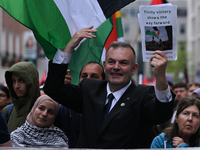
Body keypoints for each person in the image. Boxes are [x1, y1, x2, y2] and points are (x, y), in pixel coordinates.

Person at [44, 26, 175, 148]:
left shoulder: (143, 94)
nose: (116, 67)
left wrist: (160, 76)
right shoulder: (89, 88)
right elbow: (53, 88)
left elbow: (162, 114)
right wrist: (69, 48)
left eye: (123, 63)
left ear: (134, 68)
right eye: (111, 62)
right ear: (105, 65)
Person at [55, 61, 105, 148]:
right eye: (84, 76)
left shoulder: (109, 108)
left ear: (104, 81)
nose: (87, 79)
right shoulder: (64, 109)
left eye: (94, 76)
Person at [2, 62, 40, 133]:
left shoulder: (45, 112)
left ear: (31, 81)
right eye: (13, 81)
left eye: (21, 80)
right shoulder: (7, 111)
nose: (16, 86)